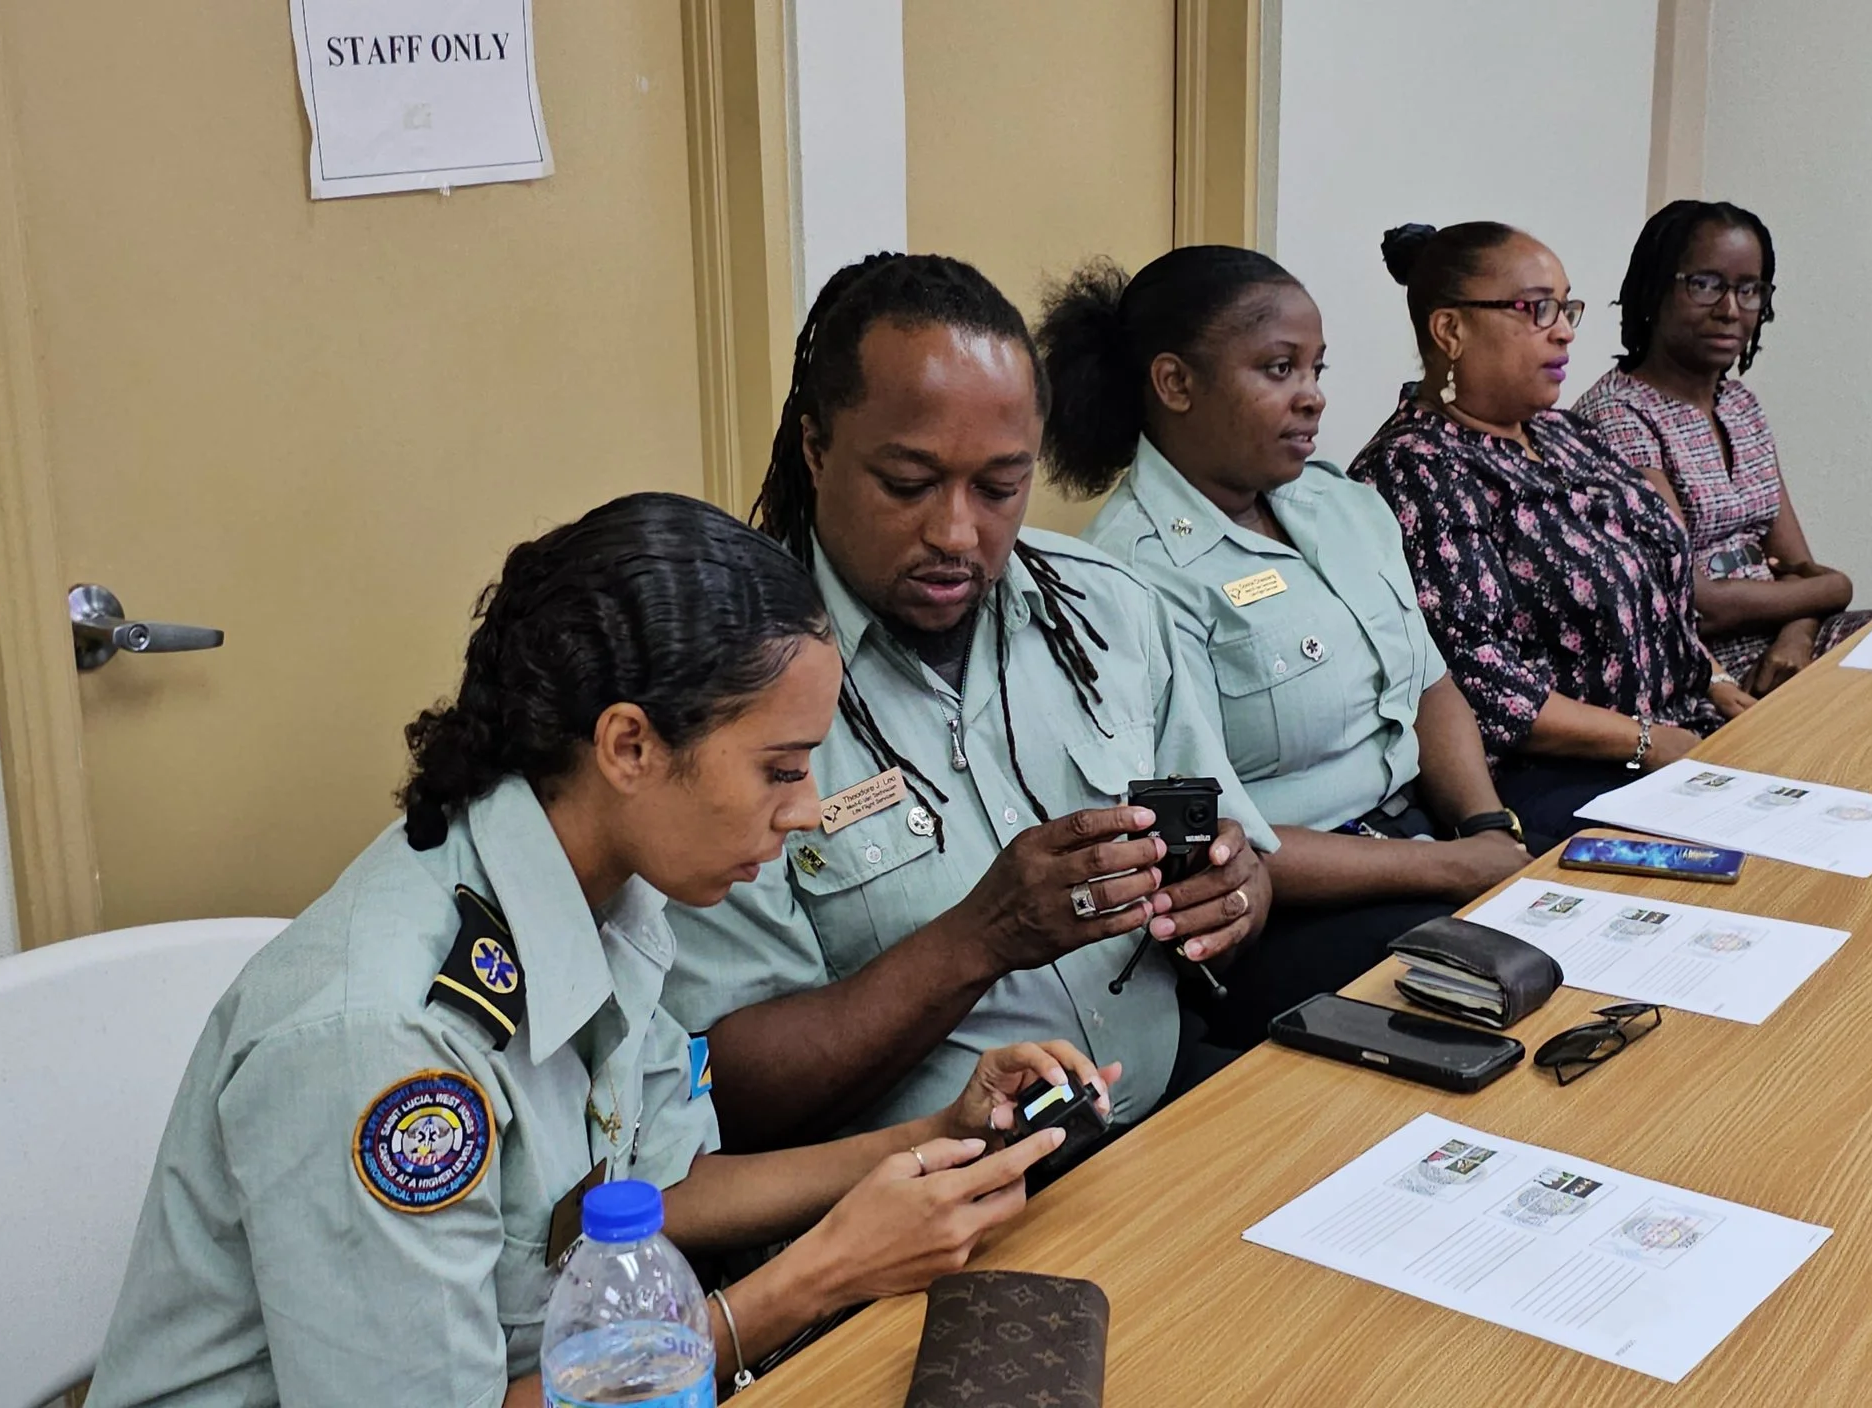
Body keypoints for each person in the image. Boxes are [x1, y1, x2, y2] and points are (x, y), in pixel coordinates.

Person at [85, 493, 1116, 1408]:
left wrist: (928, 1137)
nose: (806, 811)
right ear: (630, 746)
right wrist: (816, 1275)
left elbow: (645, 1189)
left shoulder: (598, 885)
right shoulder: (384, 1041)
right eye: (779, 769)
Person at [662, 253, 1275, 1156]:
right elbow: (723, 1087)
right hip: (929, 1192)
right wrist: (979, 940)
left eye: (1000, 487)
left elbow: (1249, 861)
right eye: (907, 484)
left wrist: (1232, 897)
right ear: (815, 446)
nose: (957, 534)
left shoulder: (1108, 607)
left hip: (1167, 1116)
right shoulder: (727, 693)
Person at [1039, 246, 1530, 1045]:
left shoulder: (1345, 505)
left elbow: (1431, 685)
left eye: (1316, 370)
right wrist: (1456, 868)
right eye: (1278, 370)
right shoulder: (1127, 578)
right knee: (1492, 1019)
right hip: (1290, 911)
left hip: (1438, 846)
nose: (1312, 399)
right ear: (1176, 384)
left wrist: (1484, 826)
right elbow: (1218, 834)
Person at [1348, 221, 1755, 848]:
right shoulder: (1415, 468)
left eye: (1567, 308)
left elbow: (1656, 580)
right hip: (1553, 775)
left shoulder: (1564, 433)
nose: (1563, 329)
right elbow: (1479, 678)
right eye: (1538, 309)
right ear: (1450, 330)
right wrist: (1647, 742)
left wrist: (1715, 680)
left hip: (1675, 733)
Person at [1575, 200, 1872, 696]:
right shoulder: (1617, 415)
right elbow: (1693, 602)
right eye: (1705, 285)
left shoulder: (1741, 405)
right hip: (1700, 671)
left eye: (1748, 289)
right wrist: (1836, 587)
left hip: (1780, 646)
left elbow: (1800, 566)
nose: (1730, 309)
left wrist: (1797, 636)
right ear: (1654, 289)